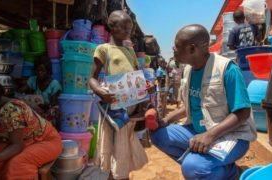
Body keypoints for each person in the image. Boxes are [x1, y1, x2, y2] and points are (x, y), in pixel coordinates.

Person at [151, 24, 257, 180]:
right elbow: (190, 106)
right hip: (200, 131)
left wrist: (210, 135)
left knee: (193, 168)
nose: (173, 49)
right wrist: (166, 120)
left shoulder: (227, 69)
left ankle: (229, 173)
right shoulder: (188, 70)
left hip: (232, 135)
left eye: (177, 45)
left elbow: (243, 112)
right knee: (159, 136)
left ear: (192, 49)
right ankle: (209, 167)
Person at [89, 10, 148, 180]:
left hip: (130, 109)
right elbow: (91, 79)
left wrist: (145, 90)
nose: (128, 32)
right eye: (124, 28)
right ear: (112, 27)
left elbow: (138, 76)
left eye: (130, 28)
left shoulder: (130, 51)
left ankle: (122, 176)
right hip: (113, 108)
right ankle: (113, 177)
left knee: (124, 148)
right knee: (111, 146)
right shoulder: (103, 49)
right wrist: (101, 92)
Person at [0, 76, 62, 179]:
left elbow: (17, 146)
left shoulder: (12, 111)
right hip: (23, 141)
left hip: (46, 141)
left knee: (17, 164)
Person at [18, 56, 62, 126]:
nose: (39, 73)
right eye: (37, 70)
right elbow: (20, 92)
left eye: (42, 71)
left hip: (48, 112)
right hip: (36, 111)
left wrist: (44, 106)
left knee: (54, 111)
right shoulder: (33, 80)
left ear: (48, 71)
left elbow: (54, 105)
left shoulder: (54, 84)